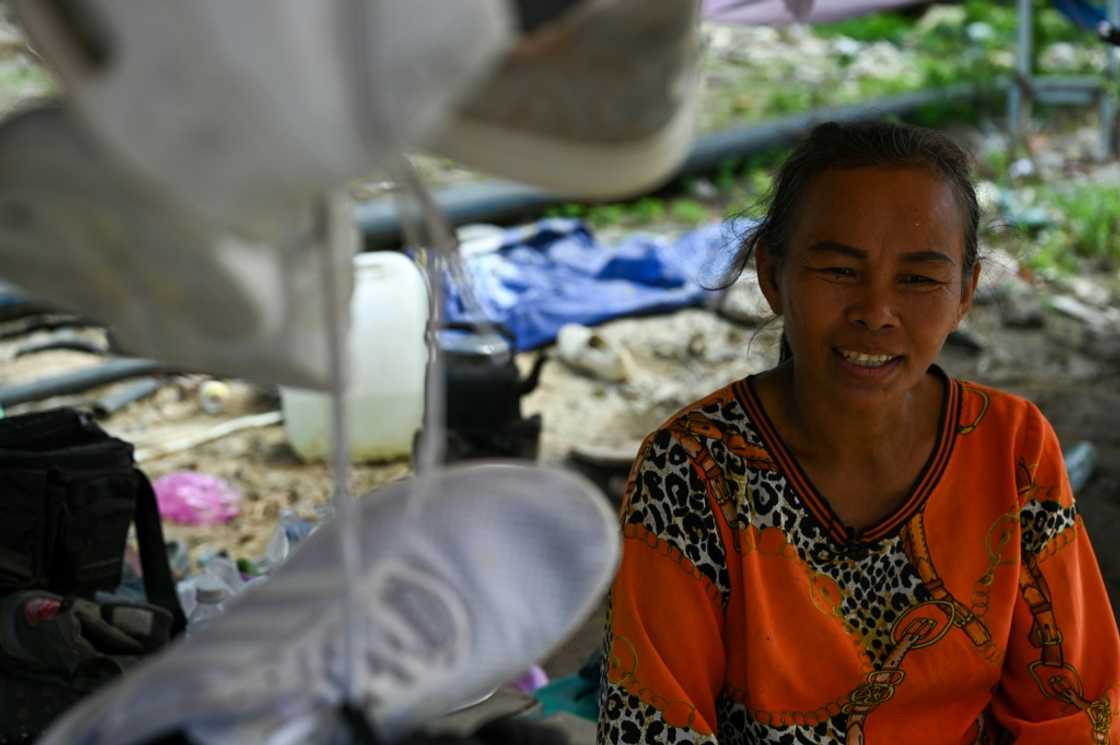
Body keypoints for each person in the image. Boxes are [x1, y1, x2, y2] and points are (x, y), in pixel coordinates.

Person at [597, 120, 1120, 744]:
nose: (876, 311)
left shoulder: (1011, 446)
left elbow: (1074, 708)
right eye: (839, 271)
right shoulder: (692, 469)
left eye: (920, 279)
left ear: (965, 293)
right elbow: (655, 728)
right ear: (771, 276)